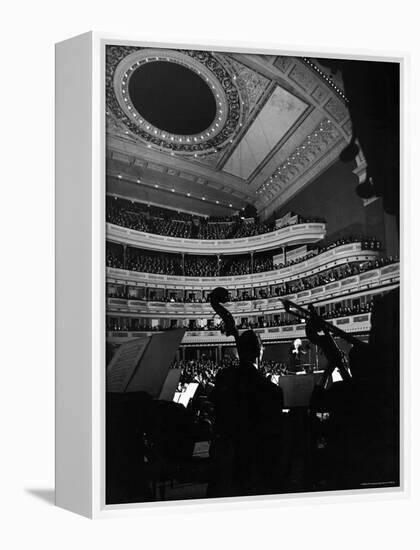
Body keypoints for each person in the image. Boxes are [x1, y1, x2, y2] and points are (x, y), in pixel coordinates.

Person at [207, 330, 284, 498]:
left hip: (223, 464)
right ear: (259, 352)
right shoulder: (272, 391)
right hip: (254, 468)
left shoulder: (222, 377)